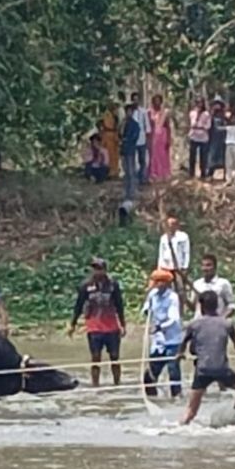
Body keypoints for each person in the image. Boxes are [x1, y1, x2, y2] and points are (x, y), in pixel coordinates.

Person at [178, 289, 235, 425]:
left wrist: (180, 354)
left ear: (201, 306)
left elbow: (183, 343)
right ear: (217, 305)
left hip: (202, 370)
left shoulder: (194, 325)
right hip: (221, 369)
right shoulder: (227, 324)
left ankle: (182, 425)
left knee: (191, 411)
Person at [68, 256, 126, 387]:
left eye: (100, 269)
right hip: (94, 327)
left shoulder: (113, 285)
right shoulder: (86, 286)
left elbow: (119, 305)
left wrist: (123, 324)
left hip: (111, 327)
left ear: (105, 270)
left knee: (115, 357)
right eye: (95, 269)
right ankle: (95, 386)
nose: (97, 272)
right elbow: (78, 305)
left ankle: (117, 384)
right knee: (95, 357)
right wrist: (73, 324)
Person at [141, 269, 183, 398]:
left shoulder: (172, 297)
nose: (156, 284)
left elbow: (173, 319)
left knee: (173, 373)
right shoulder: (153, 295)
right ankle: (152, 398)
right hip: (157, 342)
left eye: (159, 281)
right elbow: (146, 307)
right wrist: (146, 310)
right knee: (150, 375)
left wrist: (160, 327)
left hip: (172, 341)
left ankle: (177, 398)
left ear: (166, 283)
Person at [192, 254, 235, 318]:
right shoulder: (197, 284)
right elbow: (193, 307)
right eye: (203, 265)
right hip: (199, 322)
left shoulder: (223, 283)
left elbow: (232, 305)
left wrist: (221, 319)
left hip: (217, 322)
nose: (205, 268)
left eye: (208, 265)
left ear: (215, 267)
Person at [119, 103, 140, 225]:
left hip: (130, 149)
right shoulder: (123, 123)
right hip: (123, 150)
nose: (128, 113)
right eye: (127, 111)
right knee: (126, 172)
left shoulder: (135, 124)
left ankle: (132, 193)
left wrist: (126, 140)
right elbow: (120, 134)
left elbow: (134, 137)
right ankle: (126, 192)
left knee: (131, 171)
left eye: (130, 111)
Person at [157, 215, 191, 281]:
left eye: (172, 224)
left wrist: (185, 267)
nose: (170, 226)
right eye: (168, 224)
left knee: (179, 284)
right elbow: (161, 254)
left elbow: (186, 252)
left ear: (177, 225)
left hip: (178, 268)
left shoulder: (183, 236)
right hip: (166, 267)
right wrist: (159, 267)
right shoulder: (164, 238)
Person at [147, 94, 172, 181]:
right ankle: (154, 173)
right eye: (155, 101)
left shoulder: (165, 112)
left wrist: (169, 138)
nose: (157, 103)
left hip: (163, 135)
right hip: (153, 135)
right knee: (154, 155)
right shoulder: (149, 112)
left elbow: (168, 126)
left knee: (163, 154)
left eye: (158, 101)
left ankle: (164, 173)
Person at [187, 97, 211, 179]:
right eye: (197, 102)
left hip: (203, 137)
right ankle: (191, 173)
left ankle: (203, 173)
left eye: (200, 102)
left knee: (203, 156)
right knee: (192, 156)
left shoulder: (206, 114)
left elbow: (208, 126)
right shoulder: (192, 113)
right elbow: (192, 124)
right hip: (193, 136)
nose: (199, 104)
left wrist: (201, 126)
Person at [130, 92, 151, 183]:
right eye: (134, 100)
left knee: (142, 160)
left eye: (137, 100)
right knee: (133, 160)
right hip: (132, 140)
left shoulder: (143, 111)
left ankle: (142, 178)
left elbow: (147, 125)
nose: (135, 101)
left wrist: (148, 137)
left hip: (142, 139)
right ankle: (133, 178)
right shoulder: (130, 112)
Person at [98, 102, 120, 178]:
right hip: (108, 137)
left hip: (114, 137)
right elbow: (105, 125)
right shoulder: (106, 115)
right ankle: (109, 172)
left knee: (115, 155)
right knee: (108, 155)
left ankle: (115, 171)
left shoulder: (115, 116)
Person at [207, 98, 227, 179]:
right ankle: (210, 174)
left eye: (218, 104)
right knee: (212, 156)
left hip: (223, 139)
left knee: (224, 157)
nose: (217, 106)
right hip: (213, 139)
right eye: (215, 104)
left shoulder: (224, 117)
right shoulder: (211, 116)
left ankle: (225, 175)